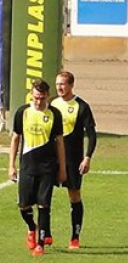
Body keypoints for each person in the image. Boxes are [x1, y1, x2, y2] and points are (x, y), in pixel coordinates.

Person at [8, 79, 67, 256]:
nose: (38, 101)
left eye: (41, 98)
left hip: (47, 167)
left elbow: (60, 143)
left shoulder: (54, 114)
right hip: (27, 165)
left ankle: (40, 243)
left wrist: (62, 169)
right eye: (35, 97)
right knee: (24, 205)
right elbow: (15, 139)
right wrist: (11, 165)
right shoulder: (22, 112)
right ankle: (31, 227)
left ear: (47, 96)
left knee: (43, 205)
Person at [50, 71, 97, 249]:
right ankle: (45, 234)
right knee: (44, 195)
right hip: (52, 158)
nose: (59, 87)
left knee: (74, 195)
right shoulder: (52, 103)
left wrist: (87, 158)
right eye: (57, 84)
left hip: (73, 159)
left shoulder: (82, 106)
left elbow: (92, 135)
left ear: (71, 85)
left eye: (62, 84)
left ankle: (75, 237)